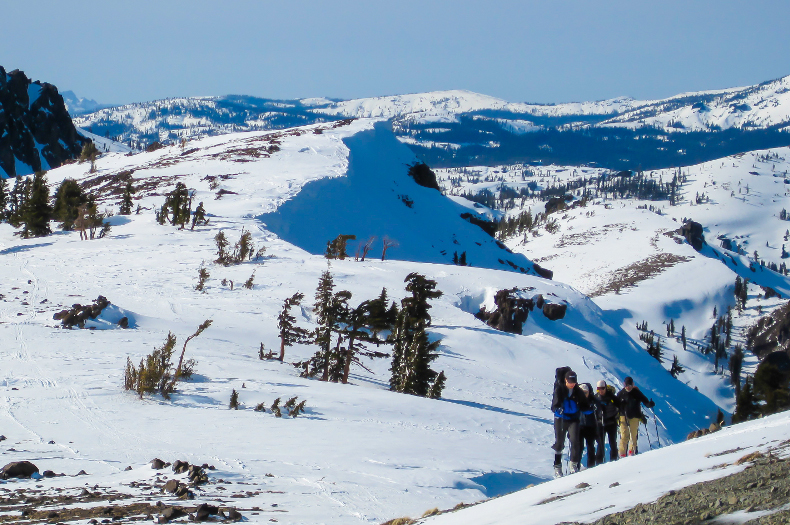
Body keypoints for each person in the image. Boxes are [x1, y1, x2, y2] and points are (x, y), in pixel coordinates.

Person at [551, 370, 589, 477]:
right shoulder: (559, 390)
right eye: (570, 382)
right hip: (561, 419)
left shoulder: (578, 391)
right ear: (565, 380)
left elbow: (584, 405)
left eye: (574, 382)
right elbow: (554, 406)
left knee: (575, 441)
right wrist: (558, 410)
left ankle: (574, 465)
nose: (572, 384)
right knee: (559, 443)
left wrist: (590, 409)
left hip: (574, 419)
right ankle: (557, 467)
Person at [616, 376, 655, 457]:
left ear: (632, 384)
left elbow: (645, 401)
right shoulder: (621, 394)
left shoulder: (637, 393)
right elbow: (615, 405)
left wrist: (649, 404)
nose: (628, 387)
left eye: (630, 385)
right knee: (624, 436)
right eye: (626, 386)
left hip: (635, 416)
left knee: (633, 435)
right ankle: (622, 454)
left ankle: (632, 452)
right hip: (623, 416)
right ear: (624, 385)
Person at [594, 380, 620, 463]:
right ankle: (599, 463)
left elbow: (620, 405)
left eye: (602, 388)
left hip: (611, 422)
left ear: (605, 388)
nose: (600, 390)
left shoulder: (611, 396)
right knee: (600, 444)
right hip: (600, 423)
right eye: (599, 388)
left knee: (612, 442)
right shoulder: (595, 398)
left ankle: (614, 460)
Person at [578, 383, 600, 468]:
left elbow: (599, 409)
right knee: (579, 447)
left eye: (585, 392)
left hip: (590, 427)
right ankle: (576, 467)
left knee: (590, 447)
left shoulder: (593, 401)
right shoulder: (576, 401)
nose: (584, 394)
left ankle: (591, 467)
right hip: (580, 427)